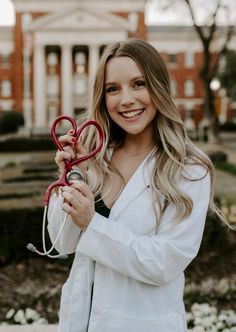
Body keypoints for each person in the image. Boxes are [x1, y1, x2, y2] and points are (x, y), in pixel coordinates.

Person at [48, 39, 224, 332]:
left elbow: (164, 262)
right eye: (112, 89)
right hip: (81, 322)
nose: (126, 99)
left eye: (138, 84)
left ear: (158, 88)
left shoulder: (190, 169)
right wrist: (72, 174)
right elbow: (61, 243)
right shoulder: (94, 156)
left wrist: (93, 223)